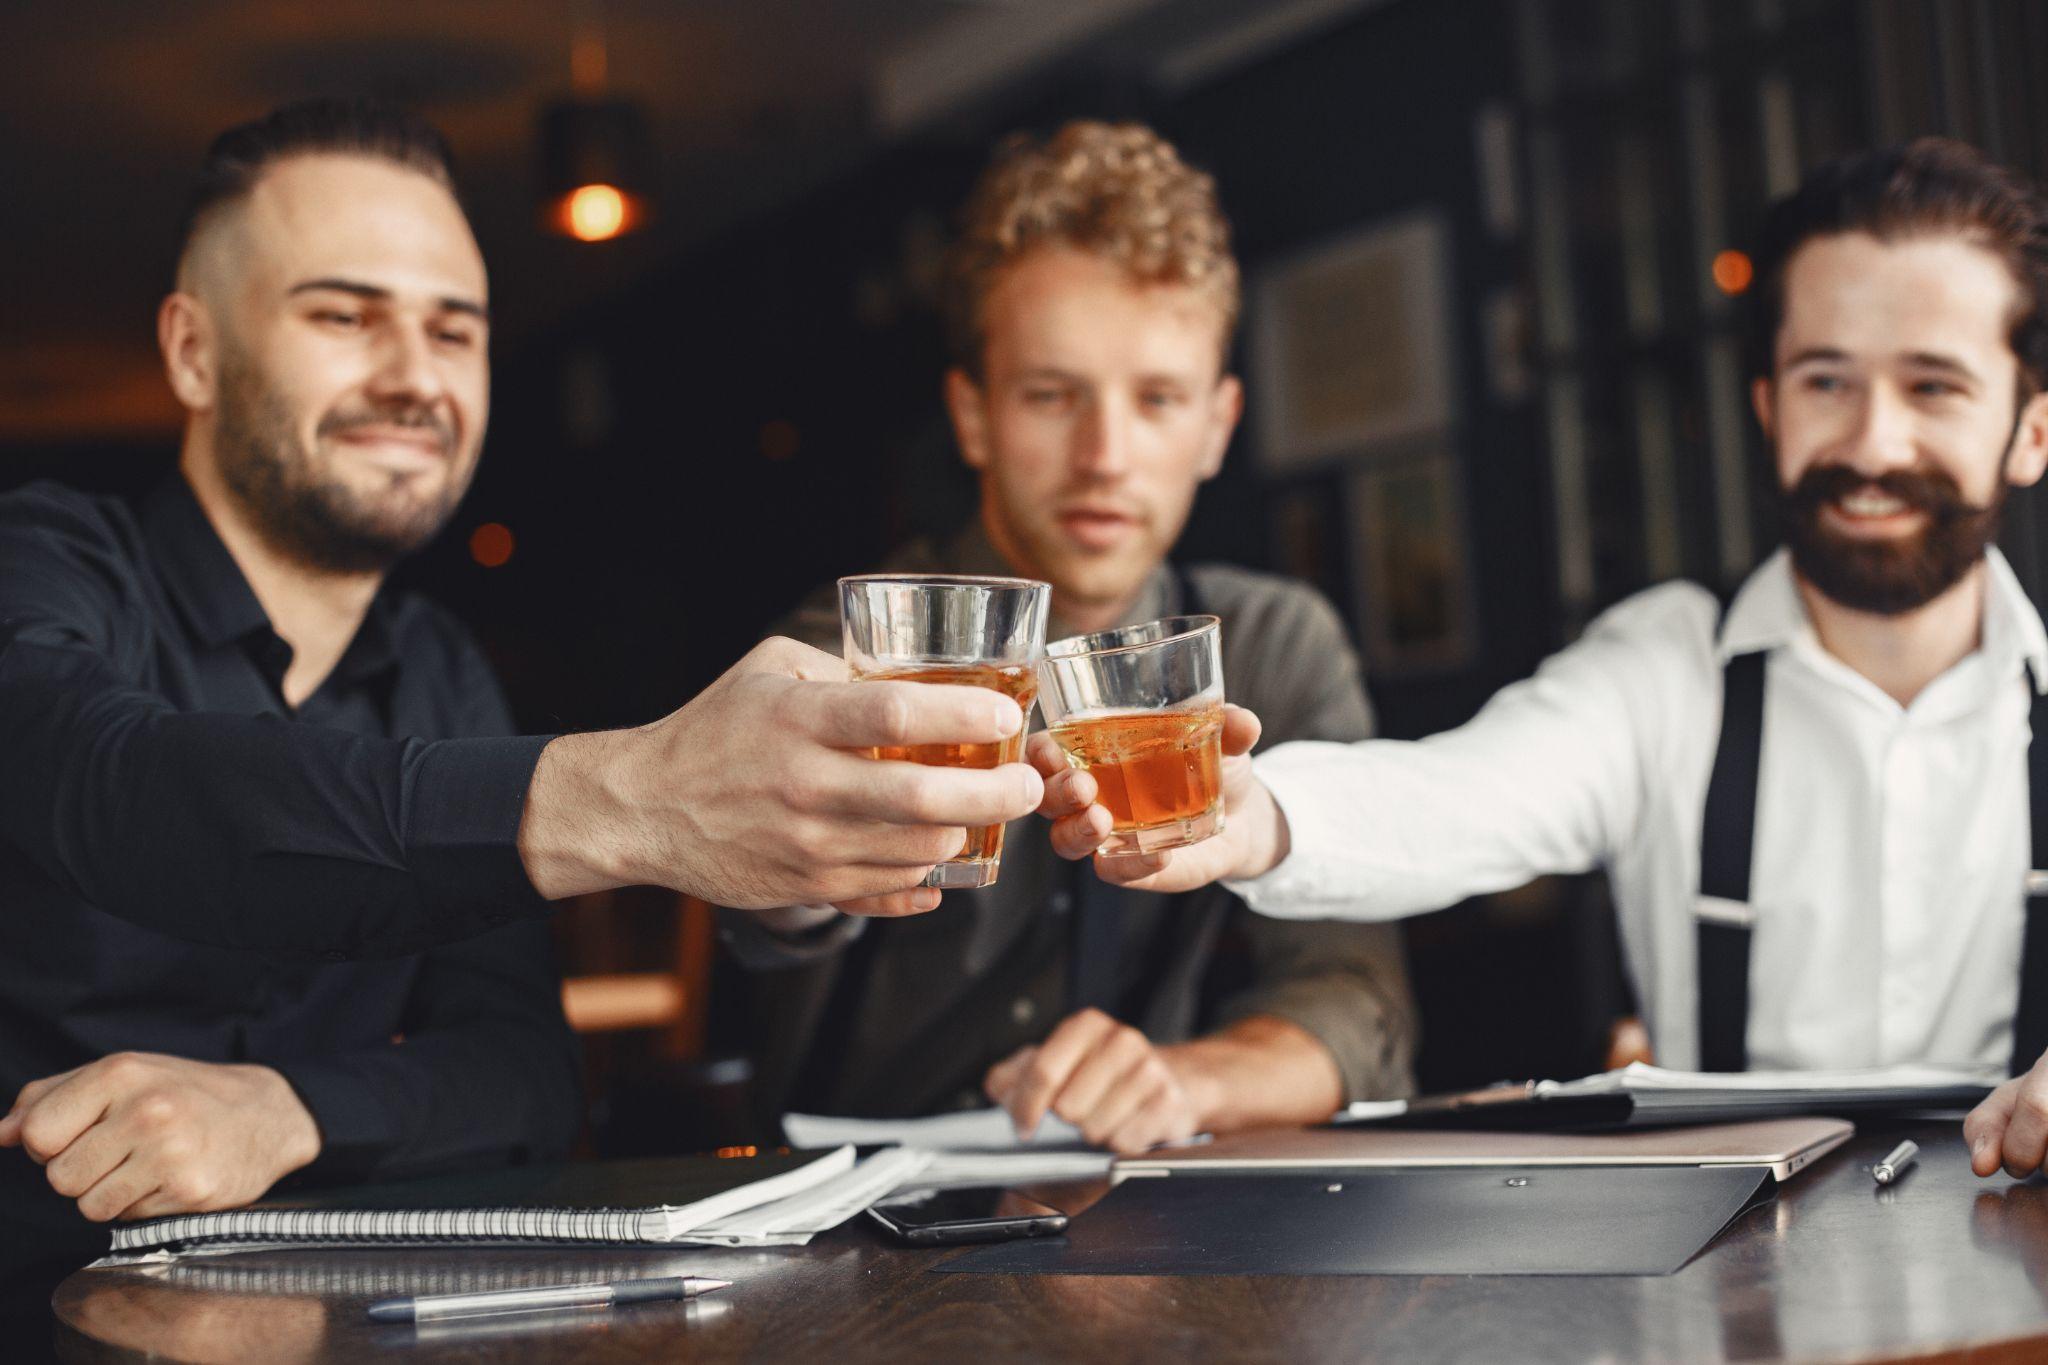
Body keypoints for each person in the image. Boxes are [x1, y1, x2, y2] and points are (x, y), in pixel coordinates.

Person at [0, 98, 1042, 1272]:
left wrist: (290, 1109)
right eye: (344, 315)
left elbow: (526, 1078)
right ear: (194, 351)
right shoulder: (42, 567)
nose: (411, 377)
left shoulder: (440, 666)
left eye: (454, 332)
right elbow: (122, 783)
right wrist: (632, 797)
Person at [1038, 137, 2048, 1178]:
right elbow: (1457, 795)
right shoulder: (1663, 674)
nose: (1873, 444)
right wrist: (1259, 818)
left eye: (1933, 388)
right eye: (1825, 380)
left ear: (2028, 431)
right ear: (1767, 407)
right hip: (1747, 1305)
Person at [722, 120, 1416, 1154]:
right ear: (972, 416)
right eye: (1051, 396)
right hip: (847, 1219)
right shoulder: (848, 649)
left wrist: (1186, 1081)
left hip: (1123, 1216)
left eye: (1157, 399)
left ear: (1217, 426)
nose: (1104, 456)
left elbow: (1359, 1008)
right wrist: (778, 865)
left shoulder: (1272, 644)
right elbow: (758, 919)